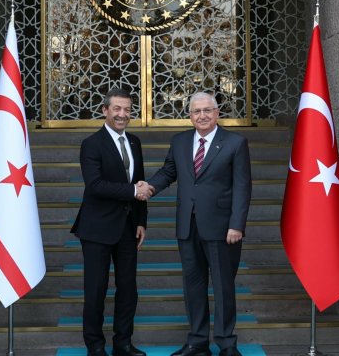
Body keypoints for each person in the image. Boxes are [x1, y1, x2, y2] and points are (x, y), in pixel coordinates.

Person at [141, 92, 252, 356]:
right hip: (187, 226)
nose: (202, 116)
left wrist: (236, 224)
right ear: (189, 116)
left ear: (217, 112)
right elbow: (169, 171)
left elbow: (242, 186)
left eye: (207, 110)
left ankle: (226, 344)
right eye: (196, 111)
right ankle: (197, 341)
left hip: (223, 229)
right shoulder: (179, 142)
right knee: (193, 286)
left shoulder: (235, 143)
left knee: (224, 288)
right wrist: (149, 187)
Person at [72, 86, 150, 356]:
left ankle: (123, 343)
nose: (122, 114)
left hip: (128, 228)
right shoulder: (91, 144)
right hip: (96, 228)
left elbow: (139, 182)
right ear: (104, 110)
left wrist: (141, 221)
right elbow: (95, 186)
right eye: (116, 108)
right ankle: (95, 346)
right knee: (96, 290)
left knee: (128, 289)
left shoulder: (135, 142)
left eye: (127, 109)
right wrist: (132, 192)